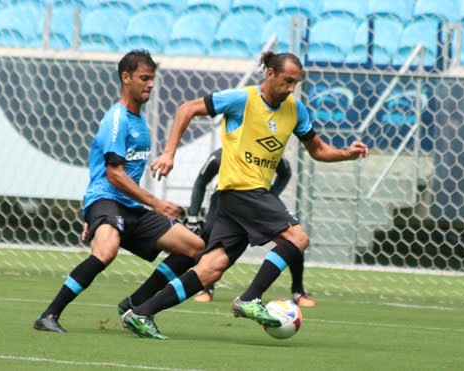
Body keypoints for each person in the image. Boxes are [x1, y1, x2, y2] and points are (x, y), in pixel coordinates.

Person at [120, 51, 369, 339]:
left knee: (211, 268)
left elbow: (318, 150)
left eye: (296, 83)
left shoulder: (295, 109)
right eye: (287, 80)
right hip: (241, 191)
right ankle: (250, 299)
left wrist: (345, 155)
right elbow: (186, 108)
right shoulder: (242, 99)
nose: (291, 88)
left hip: (236, 199)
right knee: (298, 237)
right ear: (270, 73)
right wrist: (168, 152)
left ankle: (141, 313)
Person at [33, 50, 204, 334]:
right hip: (106, 199)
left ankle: (135, 304)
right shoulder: (117, 119)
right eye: (144, 78)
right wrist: (155, 203)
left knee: (193, 247)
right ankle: (49, 315)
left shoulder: (138, 121)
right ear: (126, 78)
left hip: (130, 207)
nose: (150, 84)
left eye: (152, 79)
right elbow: (114, 174)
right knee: (106, 251)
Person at [184, 148, 315, 307]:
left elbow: (285, 173)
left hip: (259, 199)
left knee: (294, 236)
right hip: (226, 199)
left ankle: (298, 290)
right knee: (209, 233)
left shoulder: (270, 152)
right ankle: (206, 289)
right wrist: (192, 216)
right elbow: (201, 182)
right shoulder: (220, 156)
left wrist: (272, 196)